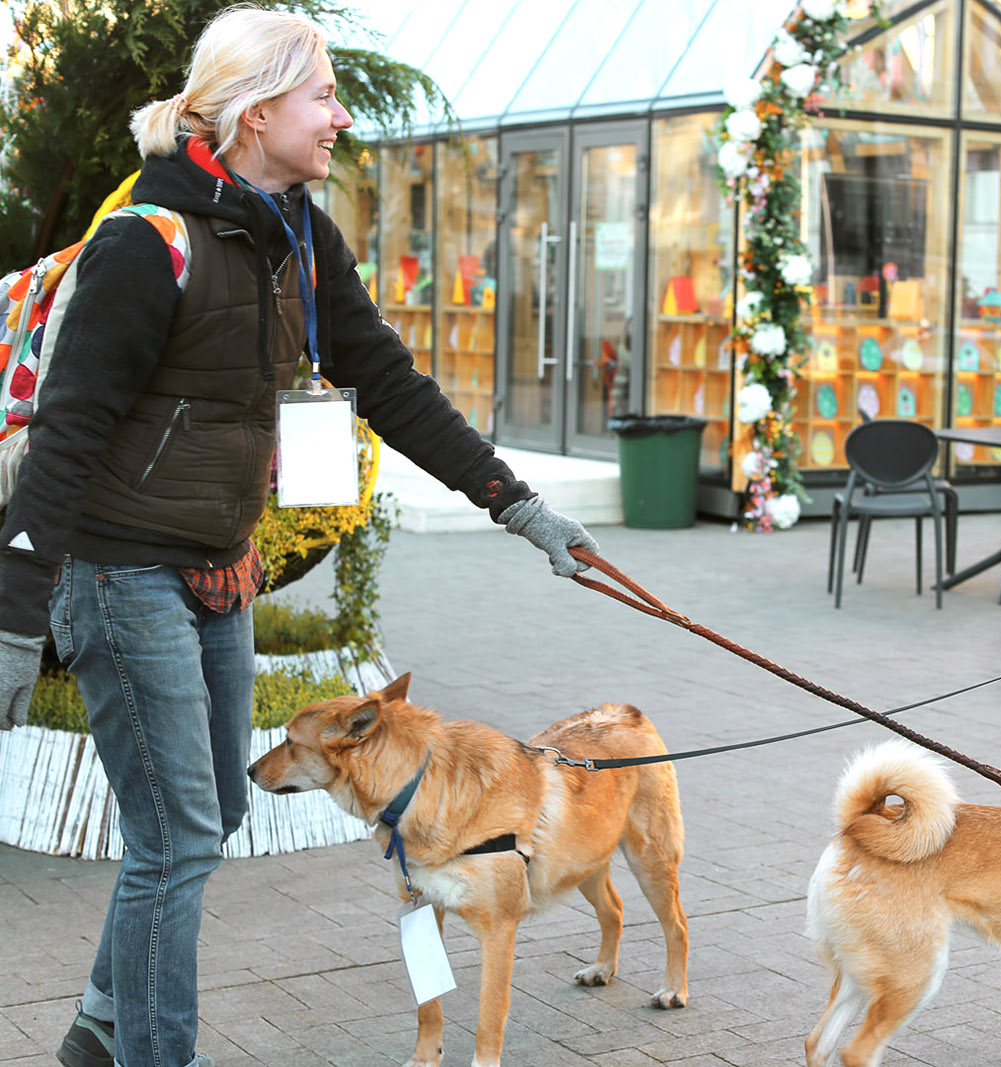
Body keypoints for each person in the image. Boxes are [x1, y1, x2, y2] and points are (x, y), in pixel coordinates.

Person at [0, 10, 597, 1067]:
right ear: (254, 111)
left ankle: (101, 1023)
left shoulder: (300, 235)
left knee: (220, 804)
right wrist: (13, 624)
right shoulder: (146, 242)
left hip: (216, 568)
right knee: (178, 836)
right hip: (119, 570)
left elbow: (389, 383)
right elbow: (70, 433)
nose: (340, 116)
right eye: (322, 96)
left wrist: (514, 501)